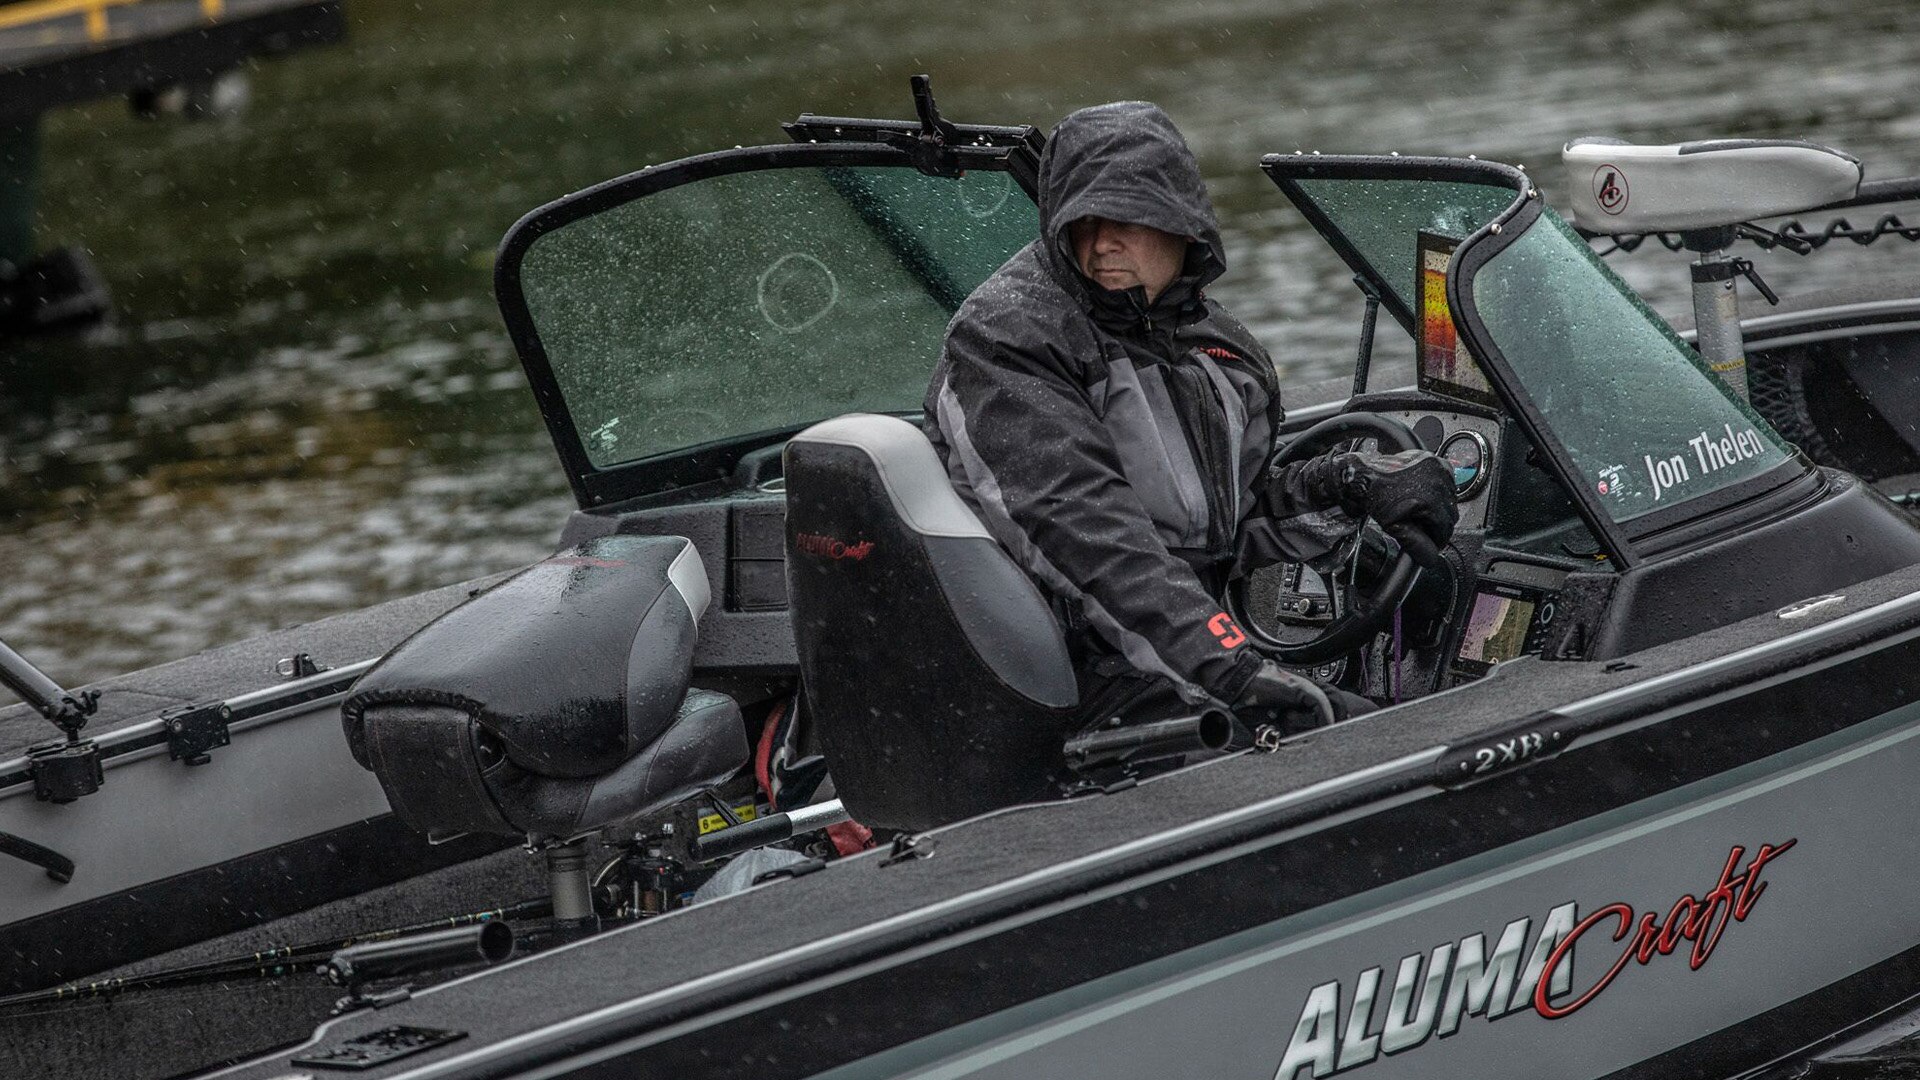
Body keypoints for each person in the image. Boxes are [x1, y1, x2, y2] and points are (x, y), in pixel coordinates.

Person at [923, 101, 1457, 730]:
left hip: (1166, 661)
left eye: (1126, 218)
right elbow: (1086, 537)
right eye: (1082, 222)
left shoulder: (1217, 348)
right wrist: (1233, 670)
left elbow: (1227, 528)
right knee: (1380, 744)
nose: (1101, 244)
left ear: (1180, 224)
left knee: (1396, 729)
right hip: (1057, 685)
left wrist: (1348, 483)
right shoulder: (1007, 338)